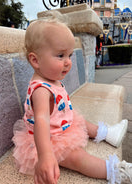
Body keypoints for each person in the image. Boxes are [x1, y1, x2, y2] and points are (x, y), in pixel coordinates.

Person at [12, 18, 132, 184]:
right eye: (61, 55)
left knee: (80, 120)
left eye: (69, 55)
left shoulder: (50, 77)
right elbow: (41, 120)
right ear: (35, 60)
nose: (68, 62)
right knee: (77, 157)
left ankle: (107, 133)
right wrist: (45, 156)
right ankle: (115, 171)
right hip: (48, 140)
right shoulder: (40, 90)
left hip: (61, 125)